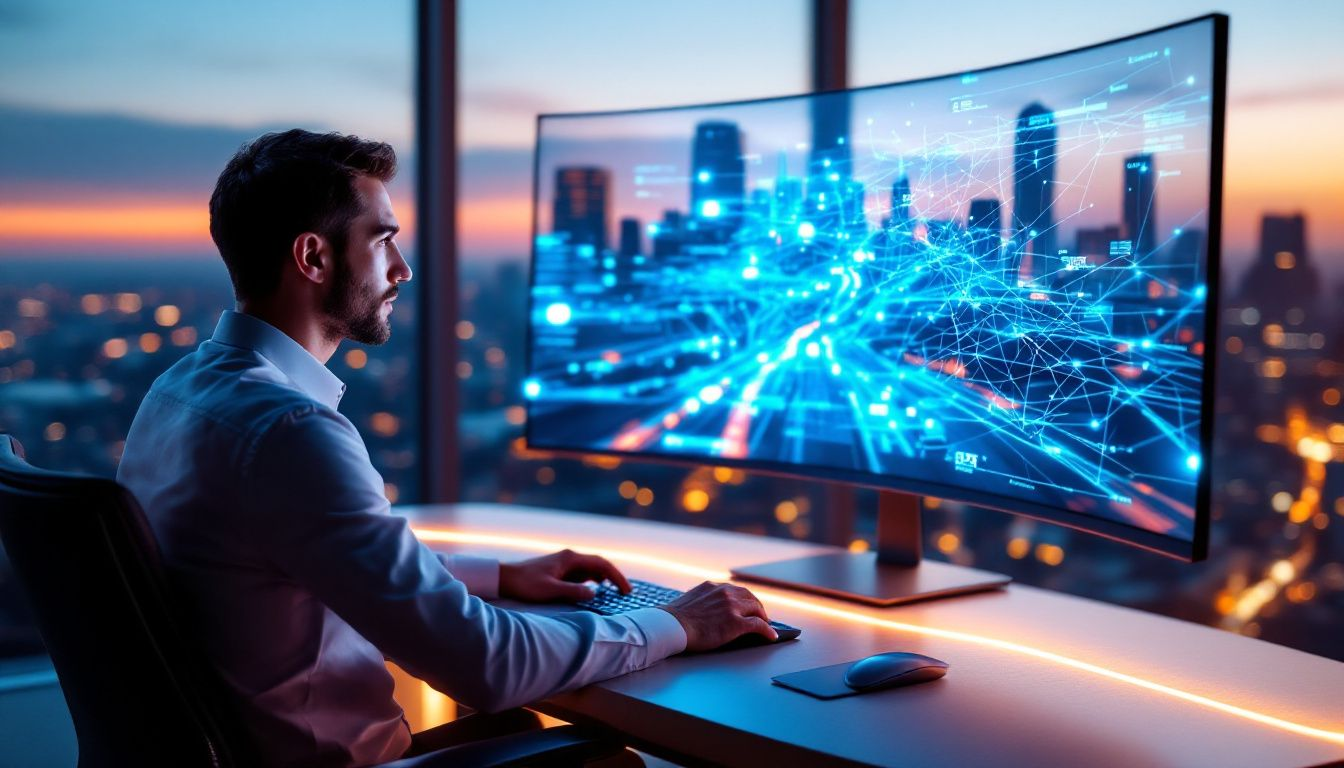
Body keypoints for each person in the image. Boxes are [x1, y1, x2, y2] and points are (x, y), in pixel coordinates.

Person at [117, 129, 778, 767]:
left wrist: (502, 576)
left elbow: (327, 556)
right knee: (601, 758)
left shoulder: (177, 395)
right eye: (383, 242)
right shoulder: (290, 433)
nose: (402, 270)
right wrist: (676, 624)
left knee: (519, 730)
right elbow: (488, 665)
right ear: (313, 258)